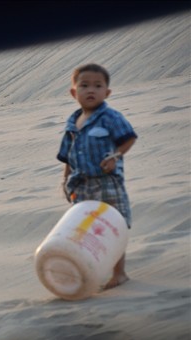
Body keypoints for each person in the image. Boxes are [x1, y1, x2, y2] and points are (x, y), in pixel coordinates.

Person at [57, 63, 137, 289]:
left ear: (107, 92)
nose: (91, 90)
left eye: (98, 86)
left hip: (106, 182)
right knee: (86, 229)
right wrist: (65, 181)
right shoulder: (72, 124)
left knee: (114, 225)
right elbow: (67, 156)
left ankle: (119, 273)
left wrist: (115, 156)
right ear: (74, 92)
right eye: (84, 85)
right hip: (81, 186)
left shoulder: (110, 117)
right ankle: (89, 269)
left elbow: (128, 138)